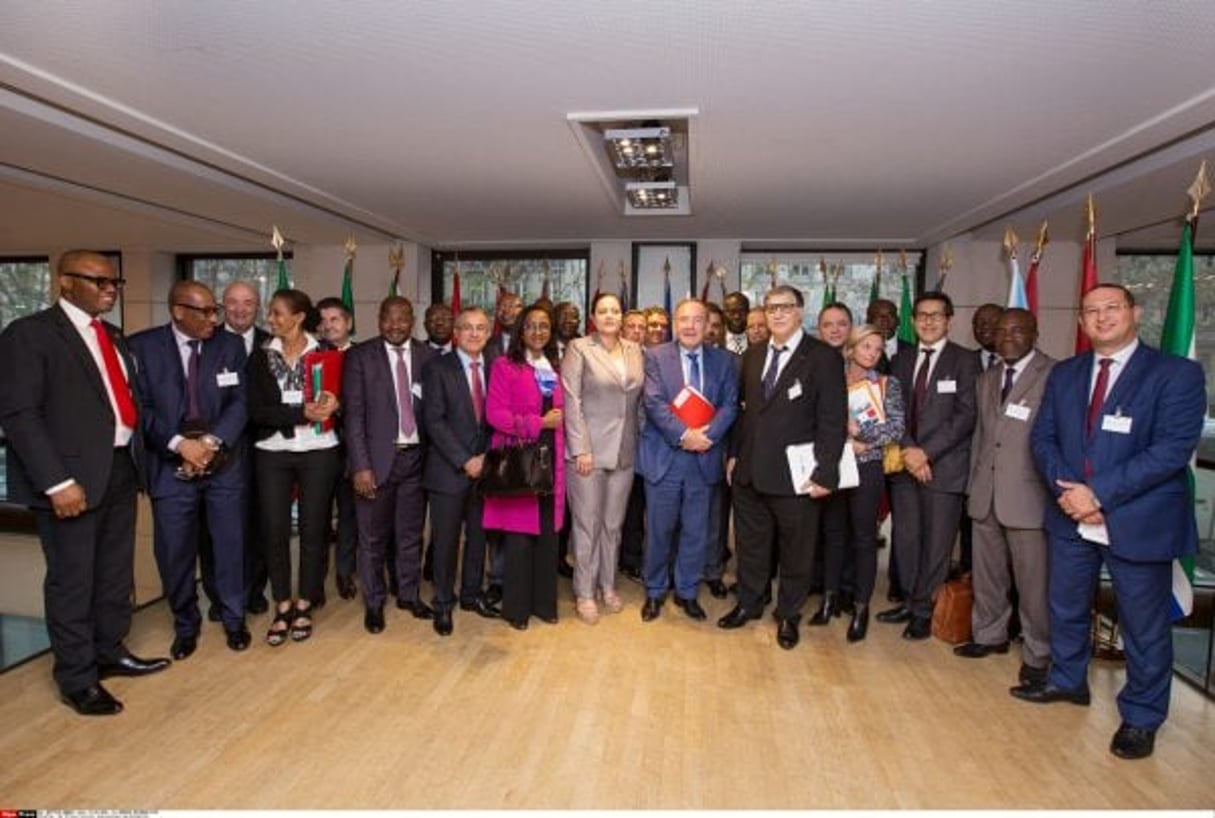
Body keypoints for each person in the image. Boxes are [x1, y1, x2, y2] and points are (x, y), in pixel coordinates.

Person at [1017, 284, 1205, 761]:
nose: (1101, 318)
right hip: (1070, 516)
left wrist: (1098, 494)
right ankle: (1067, 680)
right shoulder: (1066, 373)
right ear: (1081, 321)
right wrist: (1071, 494)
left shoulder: (1176, 373)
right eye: (1091, 311)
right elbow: (1044, 439)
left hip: (1138, 520)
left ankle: (1141, 717)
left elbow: (1171, 450)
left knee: (1143, 625)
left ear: (1134, 313)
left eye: (1111, 308)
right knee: (1065, 605)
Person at [0, 250, 169, 715]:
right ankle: (77, 678)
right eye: (98, 281)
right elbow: (19, 415)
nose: (109, 288)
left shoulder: (111, 335)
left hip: (119, 468)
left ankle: (109, 650)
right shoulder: (30, 335)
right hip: (70, 479)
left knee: (114, 572)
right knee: (73, 579)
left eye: (113, 281)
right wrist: (56, 482)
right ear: (64, 282)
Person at [720, 284, 848, 650]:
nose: (776, 314)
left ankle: (789, 614)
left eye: (785, 307)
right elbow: (743, 414)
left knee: (797, 550)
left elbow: (832, 420)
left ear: (800, 312)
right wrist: (733, 454)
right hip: (749, 473)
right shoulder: (754, 355)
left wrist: (827, 472)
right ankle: (750, 602)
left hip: (798, 477)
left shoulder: (822, 357)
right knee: (752, 546)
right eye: (770, 307)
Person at [128, 280, 251, 659]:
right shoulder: (141, 347)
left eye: (216, 310)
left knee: (230, 546)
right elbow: (139, 409)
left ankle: (234, 619)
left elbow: (241, 401)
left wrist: (211, 443)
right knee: (174, 553)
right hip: (169, 466)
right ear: (178, 311)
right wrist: (181, 445)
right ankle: (185, 625)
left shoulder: (229, 346)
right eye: (207, 312)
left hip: (223, 463)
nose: (215, 319)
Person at [958, 308, 1053, 686]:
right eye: (1002, 331)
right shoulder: (988, 377)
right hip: (985, 492)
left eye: (1018, 330)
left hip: (1028, 497)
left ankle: (1038, 653)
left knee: (1033, 584)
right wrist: (972, 486)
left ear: (1035, 332)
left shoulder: (1055, 374)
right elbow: (981, 438)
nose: (1008, 336)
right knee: (988, 575)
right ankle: (989, 635)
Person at [878, 291, 978, 640]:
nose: (928, 321)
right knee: (906, 540)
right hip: (905, 465)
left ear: (949, 320)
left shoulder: (966, 361)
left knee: (937, 544)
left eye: (936, 315)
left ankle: (924, 609)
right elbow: (893, 410)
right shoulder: (902, 360)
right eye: (922, 315)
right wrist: (909, 450)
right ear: (914, 320)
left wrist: (927, 453)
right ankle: (908, 599)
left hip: (944, 468)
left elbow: (966, 415)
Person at [247, 289, 343, 646]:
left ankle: (305, 602)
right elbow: (256, 410)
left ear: (300, 316)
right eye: (271, 314)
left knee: (314, 530)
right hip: (272, 451)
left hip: (319, 450)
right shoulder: (259, 358)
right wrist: (299, 413)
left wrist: (336, 403)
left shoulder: (327, 354)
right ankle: (282, 604)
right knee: (273, 530)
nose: (270, 319)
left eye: (277, 313)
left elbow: (345, 399)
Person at [637, 299, 738, 622]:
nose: (691, 326)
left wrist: (706, 436)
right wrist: (685, 435)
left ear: (708, 324)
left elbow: (730, 405)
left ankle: (687, 592)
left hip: (704, 458)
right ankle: (654, 590)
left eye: (697, 320)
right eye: (684, 320)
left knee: (696, 531)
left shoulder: (724, 361)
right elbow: (653, 402)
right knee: (659, 530)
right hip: (665, 457)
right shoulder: (655, 356)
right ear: (674, 323)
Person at [342, 296, 437, 634]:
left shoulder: (430, 356)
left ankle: (408, 595)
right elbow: (353, 417)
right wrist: (361, 467)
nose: (395, 325)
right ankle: (374, 602)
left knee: (411, 535)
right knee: (372, 539)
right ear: (379, 319)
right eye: (388, 318)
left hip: (417, 461)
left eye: (402, 319)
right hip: (376, 463)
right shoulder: (360, 357)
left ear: (412, 320)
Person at [810, 324, 905, 642]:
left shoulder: (887, 384)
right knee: (833, 535)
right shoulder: (831, 380)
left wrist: (860, 434)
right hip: (834, 467)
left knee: (864, 539)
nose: (872, 354)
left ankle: (861, 607)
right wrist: (841, 436)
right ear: (851, 348)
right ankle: (829, 599)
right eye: (866, 347)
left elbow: (895, 429)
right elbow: (814, 420)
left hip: (867, 469)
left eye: (878, 349)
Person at [562, 292, 645, 624]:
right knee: (587, 525)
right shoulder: (580, 348)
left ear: (622, 316)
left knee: (613, 525)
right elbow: (572, 401)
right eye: (603, 311)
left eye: (615, 310)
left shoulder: (635, 350)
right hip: (588, 454)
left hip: (625, 452)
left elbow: (638, 403)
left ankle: (607, 585)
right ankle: (584, 591)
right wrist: (580, 448)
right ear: (593, 317)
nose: (610, 315)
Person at [483, 303, 566, 629]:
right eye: (530, 326)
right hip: (521, 457)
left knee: (548, 535)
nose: (537, 332)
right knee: (520, 538)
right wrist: (538, 422)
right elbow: (495, 415)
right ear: (520, 330)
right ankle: (517, 609)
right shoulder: (505, 366)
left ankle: (545, 605)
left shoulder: (555, 366)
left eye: (544, 326)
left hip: (552, 457)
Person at [422, 307, 501, 636]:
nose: (473, 333)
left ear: (488, 332)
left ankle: (470, 595)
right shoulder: (438, 367)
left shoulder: (497, 365)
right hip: (448, 471)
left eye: (480, 328)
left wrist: (486, 458)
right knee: (446, 541)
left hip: (487, 468)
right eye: (467, 327)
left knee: (478, 538)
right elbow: (435, 421)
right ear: (456, 331)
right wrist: (465, 460)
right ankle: (443, 603)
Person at [217, 280, 272, 616]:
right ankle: (221, 595)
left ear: (258, 306)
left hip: (264, 448)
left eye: (248, 303)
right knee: (217, 530)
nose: (240, 309)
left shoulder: (272, 343)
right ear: (223, 306)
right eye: (233, 303)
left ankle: (254, 590)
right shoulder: (209, 342)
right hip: (221, 450)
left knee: (260, 523)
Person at [316, 296, 358, 601]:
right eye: (324, 320)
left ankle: (344, 573)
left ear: (348, 323)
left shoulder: (364, 356)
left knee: (348, 518)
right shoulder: (308, 355)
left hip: (350, 450)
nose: (329, 326)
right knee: (316, 518)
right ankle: (314, 581)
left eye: (335, 319)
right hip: (315, 449)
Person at [619, 308, 649, 581]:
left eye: (643, 327)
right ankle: (626, 558)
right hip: (619, 442)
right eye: (632, 326)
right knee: (626, 506)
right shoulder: (614, 358)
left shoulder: (655, 358)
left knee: (639, 503)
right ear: (622, 329)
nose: (638, 332)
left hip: (649, 444)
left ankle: (635, 556)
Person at [972, 302, 1004, 372]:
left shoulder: (1017, 361)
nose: (985, 326)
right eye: (979, 322)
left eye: (994, 322)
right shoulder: (962, 361)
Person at [490, 291, 524, 356]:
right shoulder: (487, 344)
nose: (507, 311)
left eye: (512, 305)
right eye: (502, 305)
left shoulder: (531, 342)